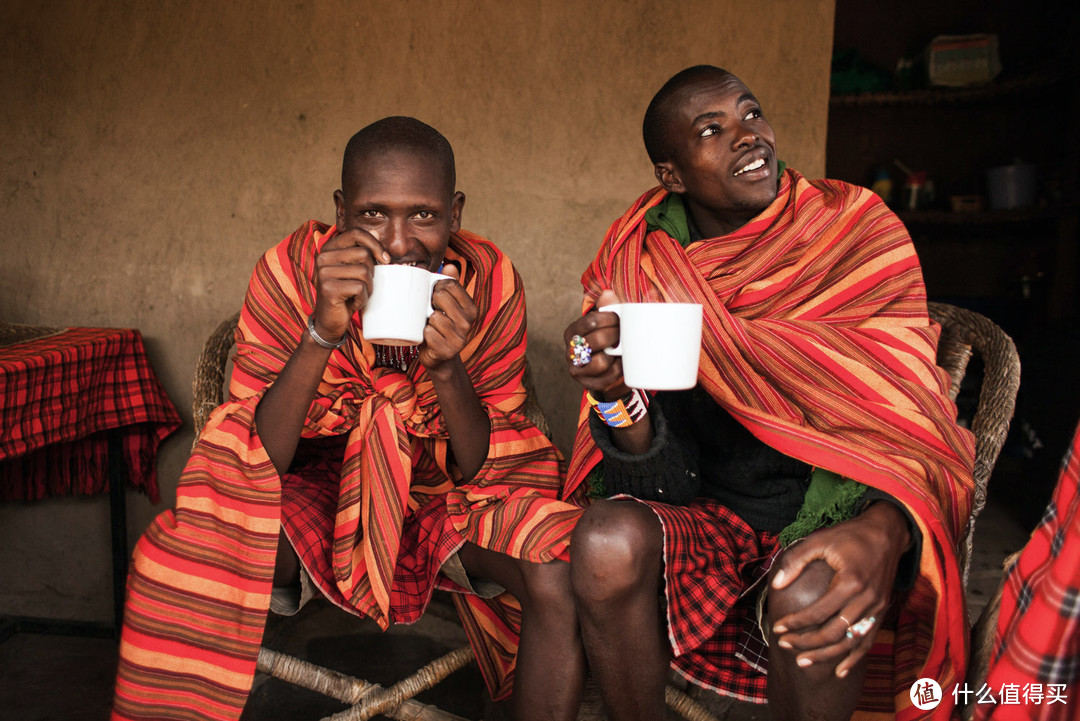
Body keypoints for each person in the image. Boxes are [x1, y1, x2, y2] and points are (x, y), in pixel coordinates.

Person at [112, 117, 586, 721]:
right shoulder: (288, 272)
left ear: (456, 213)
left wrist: (446, 370)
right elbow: (257, 453)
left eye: (423, 215)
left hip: (447, 495)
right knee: (197, 546)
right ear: (341, 210)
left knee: (559, 566)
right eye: (372, 215)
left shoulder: (489, 283)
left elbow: (489, 465)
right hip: (314, 490)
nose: (397, 242)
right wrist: (320, 333)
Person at [562, 66, 976, 720]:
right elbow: (660, 487)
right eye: (711, 129)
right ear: (670, 174)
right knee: (604, 539)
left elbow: (911, 415)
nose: (748, 137)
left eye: (751, 114)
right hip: (709, 510)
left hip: (833, 503)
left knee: (815, 586)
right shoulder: (641, 266)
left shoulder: (853, 228)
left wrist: (884, 527)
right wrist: (616, 394)